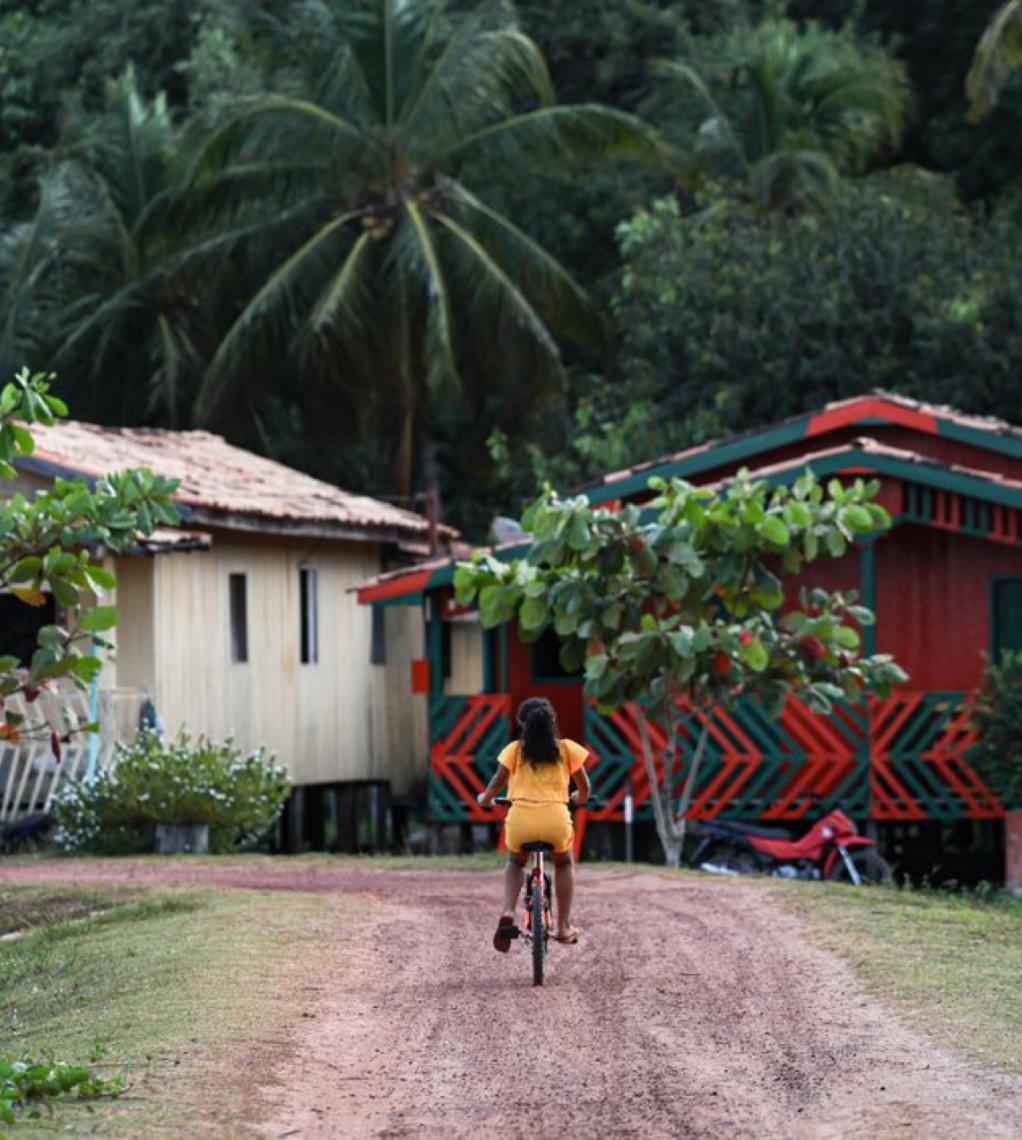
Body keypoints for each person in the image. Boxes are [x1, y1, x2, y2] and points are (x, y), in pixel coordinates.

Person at [477, 697, 591, 951]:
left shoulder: (515, 750)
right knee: (563, 862)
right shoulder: (567, 749)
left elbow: (496, 782)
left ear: (522, 724)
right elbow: (585, 788)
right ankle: (563, 927)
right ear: (553, 722)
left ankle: (507, 911)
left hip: (521, 820)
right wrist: (578, 798)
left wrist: (484, 799)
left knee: (516, 861)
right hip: (555, 820)